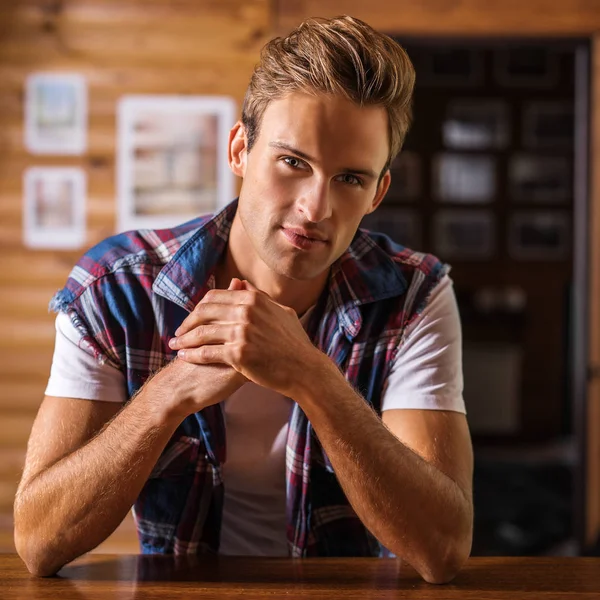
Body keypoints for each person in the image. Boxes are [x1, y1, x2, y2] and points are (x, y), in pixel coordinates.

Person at [14, 15, 473, 583]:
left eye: (350, 179)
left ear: (378, 191)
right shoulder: (116, 289)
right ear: (239, 150)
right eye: (293, 162)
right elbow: (39, 543)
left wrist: (311, 375)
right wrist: (171, 393)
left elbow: (443, 552)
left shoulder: (415, 296)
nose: (316, 208)